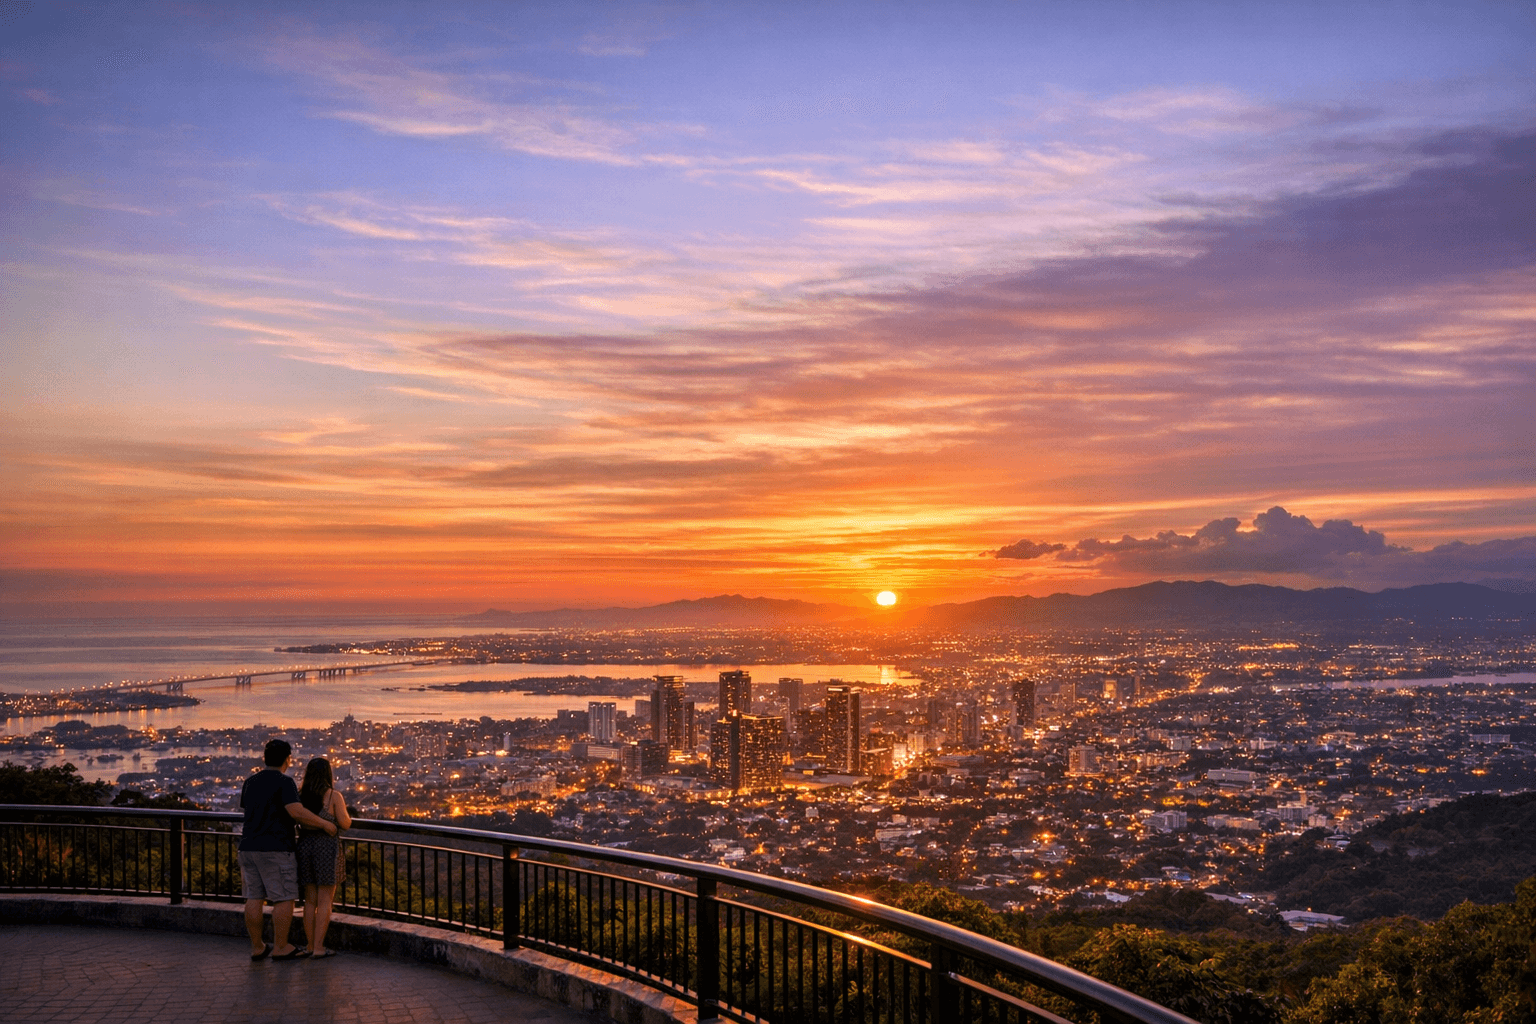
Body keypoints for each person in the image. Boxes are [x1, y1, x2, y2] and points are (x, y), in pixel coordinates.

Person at [238, 739, 336, 961]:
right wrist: (324, 824)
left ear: (265, 758)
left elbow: (249, 810)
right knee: (283, 898)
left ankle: (257, 947)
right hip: (276, 848)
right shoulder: (284, 782)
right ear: (287, 759)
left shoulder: (250, 782)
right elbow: (296, 811)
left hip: (248, 846)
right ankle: (281, 946)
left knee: (254, 897)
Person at [295, 756, 351, 959]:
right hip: (326, 848)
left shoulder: (301, 796)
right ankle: (319, 947)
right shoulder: (333, 796)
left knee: (309, 900)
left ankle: (310, 945)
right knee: (325, 898)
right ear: (329, 774)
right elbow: (345, 823)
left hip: (305, 845)